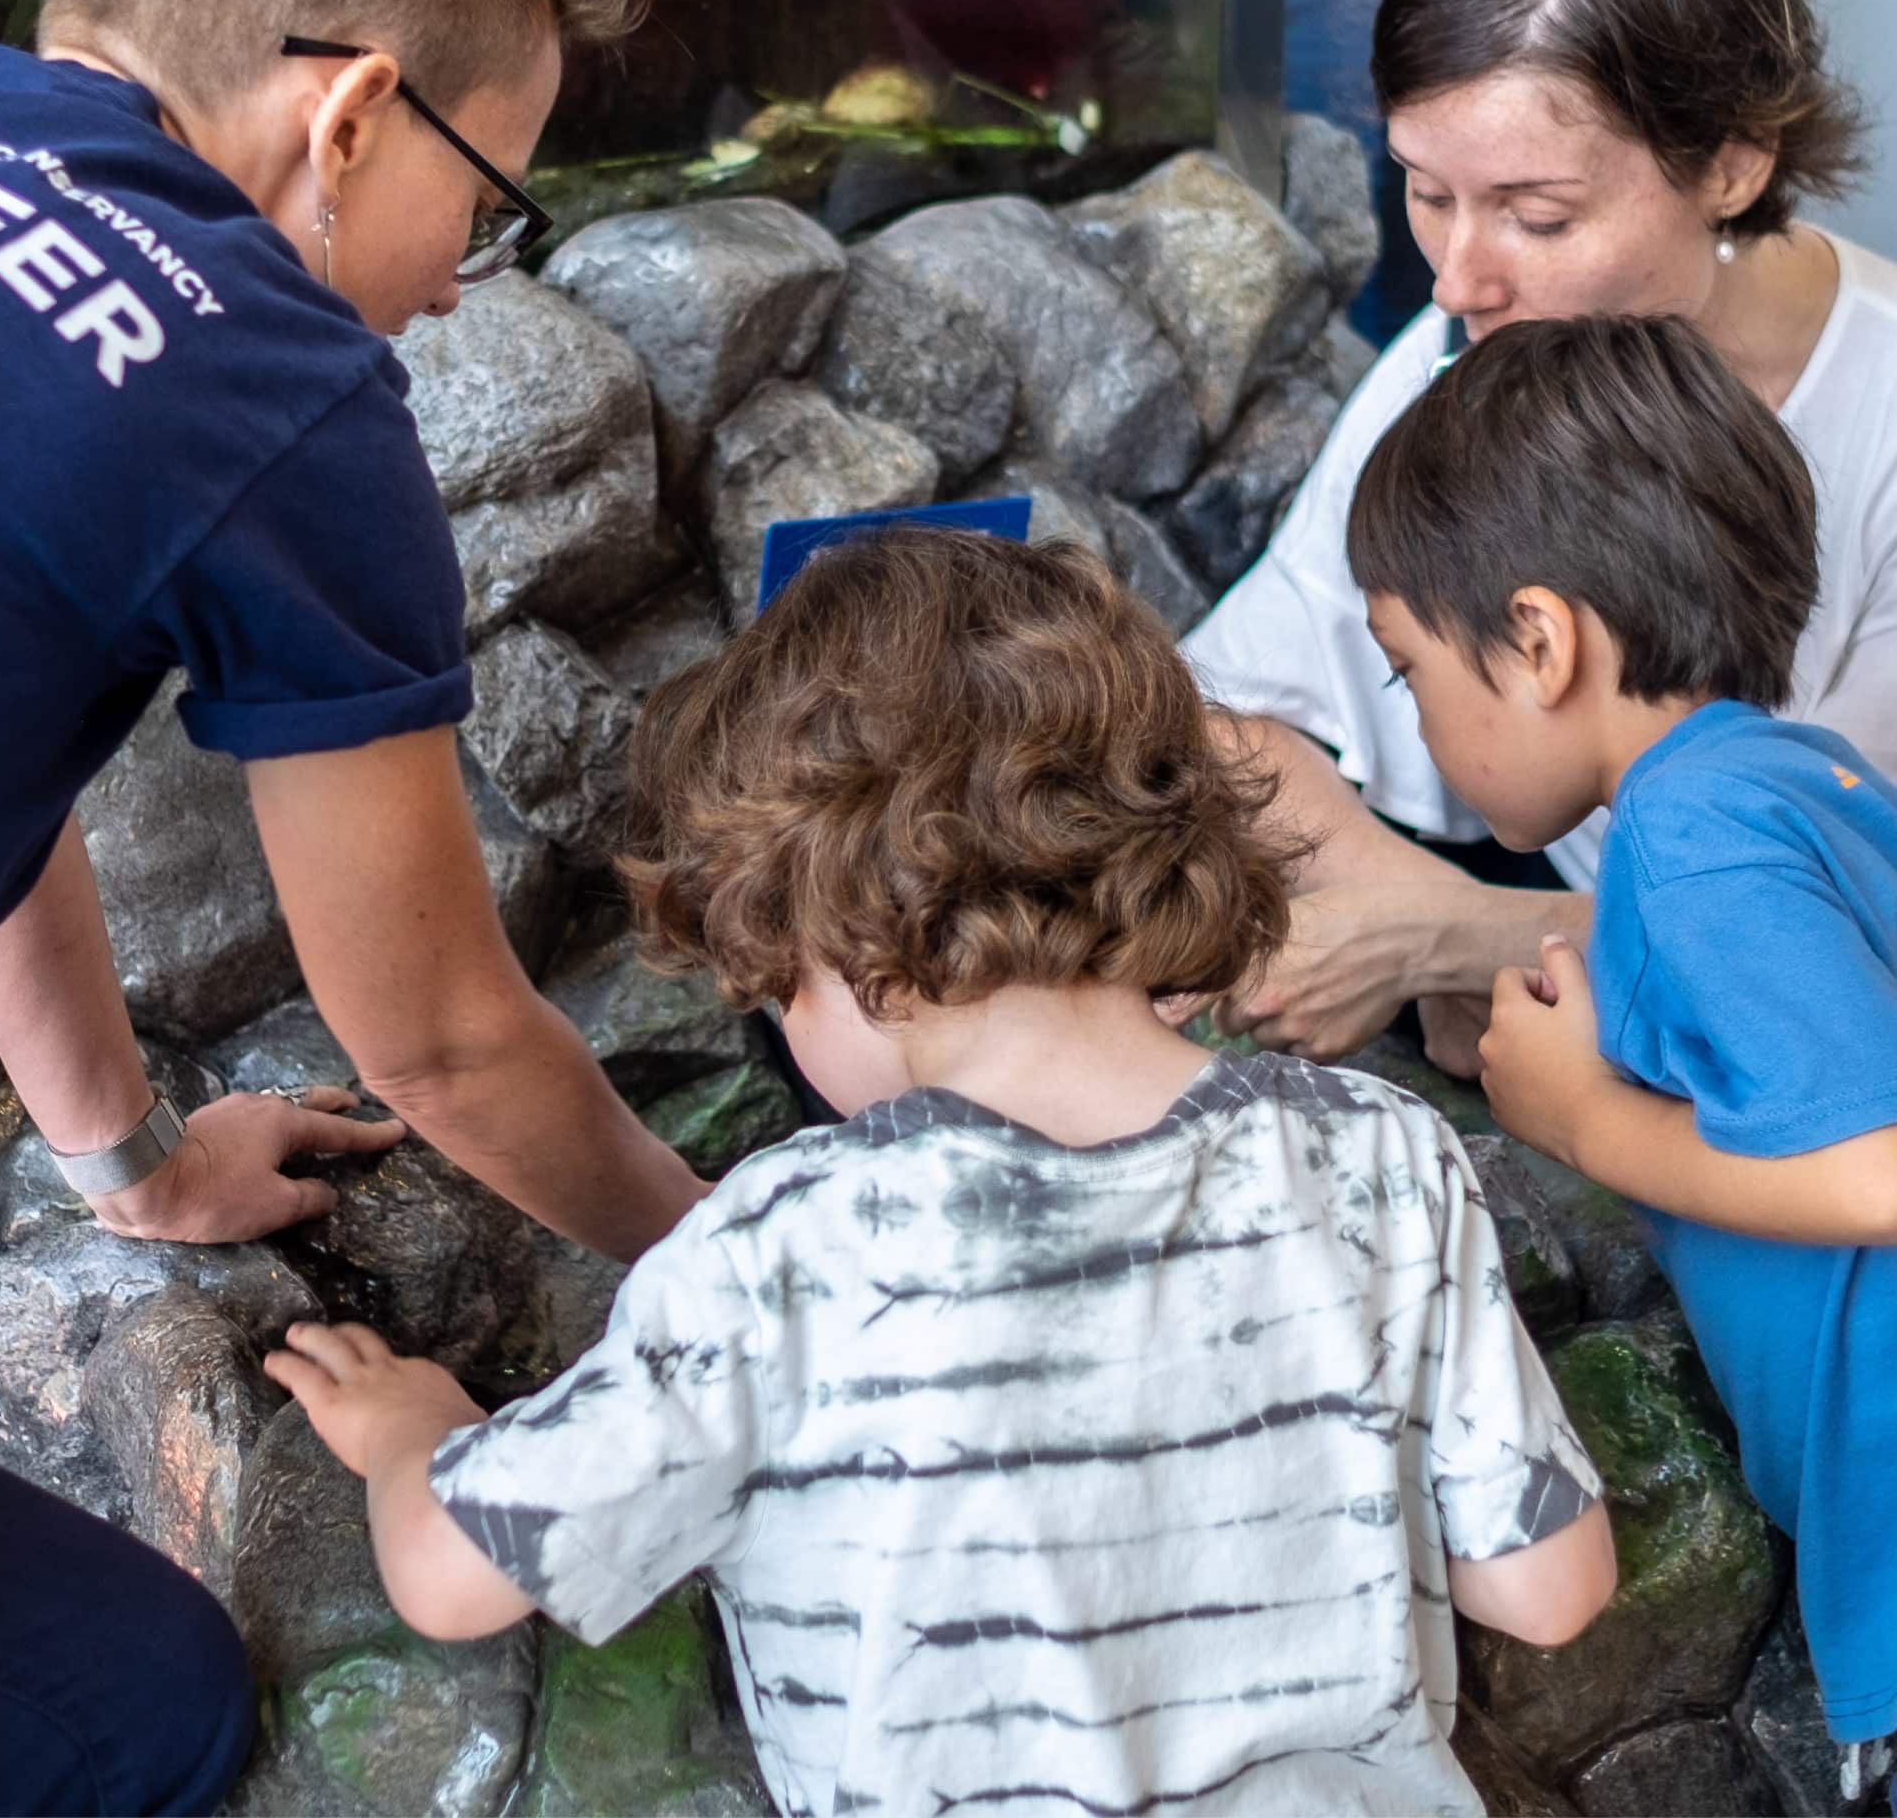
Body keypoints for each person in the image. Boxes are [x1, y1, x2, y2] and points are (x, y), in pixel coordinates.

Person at [265, 524, 1615, 1818]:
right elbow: (1549, 1591)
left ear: (836, 944)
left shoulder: (786, 1247)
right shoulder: (1379, 1152)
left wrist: (405, 1433)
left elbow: (457, 1582)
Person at [0, 0, 703, 1812]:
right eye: (493, 194)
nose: (470, 280)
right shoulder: (270, 382)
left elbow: (7, 793)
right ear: (355, 112)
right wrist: (756, 1264)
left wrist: (126, 1161)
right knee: (138, 1714)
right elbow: (449, 1047)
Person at [1184, 0, 1897, 1076]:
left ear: (1733, 158)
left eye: (1538, 214)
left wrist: (1446, 939)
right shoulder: (1474, 348)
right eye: (1425, 190)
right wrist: (1389, 901)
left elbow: (1829, 938)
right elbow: (1225, 715)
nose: (1459, 280)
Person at [1347, 312, 1897, 1784]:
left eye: (1408, 672)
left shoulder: (1696, 830)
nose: (1414, 715)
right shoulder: (1792, 781)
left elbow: (1879, 1166)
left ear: (1536, 640)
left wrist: (1586, 1120)